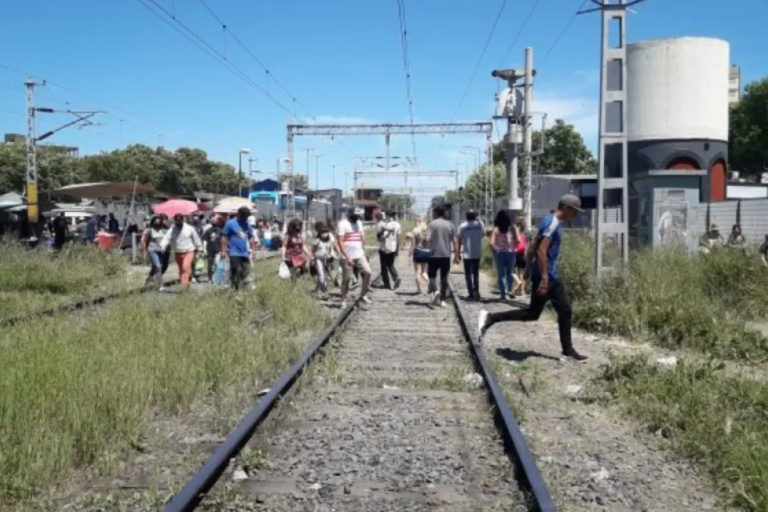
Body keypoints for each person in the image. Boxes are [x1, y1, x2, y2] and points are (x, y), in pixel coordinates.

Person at [478, 194, 589, 362]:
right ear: (566, 208)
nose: (576, 215)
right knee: (546, 312)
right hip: (548, 276)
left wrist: (528, 269)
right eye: (575, 211)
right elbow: (541, 251)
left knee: (549, 312)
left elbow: (532, 248)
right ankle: (491, 318)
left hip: (546, 274)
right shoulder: (552, 223)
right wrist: (544, 278)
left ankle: (568, 351)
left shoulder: (549, 221)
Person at [335, 212, 372, 309]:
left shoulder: (359, 223)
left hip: (359, 254)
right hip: (347, 256)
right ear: (350, 216)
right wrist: (347, 256)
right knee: (346, 279)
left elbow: (362, 238)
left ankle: (363, 294)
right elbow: (340, 241)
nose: (356, 219)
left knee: (367, 272)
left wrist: (364, 250)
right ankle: (343, 300)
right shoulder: (342, 224)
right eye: (355, 217)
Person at [160, 213, 202, 289]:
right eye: (177, 221)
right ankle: (186, 283)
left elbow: (196, 238)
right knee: (182, 269)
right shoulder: (172, 229)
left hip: (189, 251)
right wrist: (163, 245)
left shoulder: (189, 228)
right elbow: (166, 238)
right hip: (178, 252)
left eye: (180, 221)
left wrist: (200, 248)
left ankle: (184, 285)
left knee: (185, 267)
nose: (178, 222)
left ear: (183, 220)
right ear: (175, 221)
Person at [426, 206, 456, 308]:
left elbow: (427, 239)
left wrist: (426, 245)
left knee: (431, 274)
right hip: (446, 254)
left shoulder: (432, 224)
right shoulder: (450, 225)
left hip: (434, 254)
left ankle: (436, 291)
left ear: (436, 213)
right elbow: (454, 240)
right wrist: (456, 254)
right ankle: (442, 299)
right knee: (444, 277)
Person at [221, 207, 257, 291]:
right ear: (239, 214)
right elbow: (224, 237)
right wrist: (223, 250)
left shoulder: (247, 225)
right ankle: (235, 289)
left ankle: (241, 287)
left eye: (246, 217)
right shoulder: (230, 223)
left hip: (244, 253)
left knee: (246, 271)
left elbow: (251, 238)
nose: (245, 218)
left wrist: (254, 250)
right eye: (244, 216)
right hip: (234, 252)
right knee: (236, 270)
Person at [454, 209, 485, 300]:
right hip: (477, 253)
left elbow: (459, 240)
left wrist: (458, 253)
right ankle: (476, 291)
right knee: (476, 273)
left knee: (468, 274)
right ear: (475, 216)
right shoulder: (479, 224)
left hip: (467, 254)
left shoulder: (463, 226)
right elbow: (482, 235)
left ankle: (471, 293)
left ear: (466, 216)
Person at [490, 210, 518, 301]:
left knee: (501, 274)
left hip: (500, 253)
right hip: (511, 253)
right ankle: (510, 291)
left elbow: (491, 243)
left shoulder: (496, 229)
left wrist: (495, 251)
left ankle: (503, 294)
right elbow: (518, 240)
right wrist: (514, 247)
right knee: (510, 272)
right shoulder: (513, 228)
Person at [311, 221, 336, 299]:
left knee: (324, 276)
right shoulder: (317, 239)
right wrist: (311, 258)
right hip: (318, 259)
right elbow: (312, 249)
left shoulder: (330, 238)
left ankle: (317, 290)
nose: (325, 233)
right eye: (323, 232)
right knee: (321, 275)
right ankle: (324, 292)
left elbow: (333, 246)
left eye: (326, 231)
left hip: (327, 259)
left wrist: (335, 254)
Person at [376, 212, 402, 290]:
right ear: (395, 216)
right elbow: (398, 237)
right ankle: (396, 277)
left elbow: (381, 236)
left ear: (387, 216)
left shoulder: (385, 225)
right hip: (393, 247)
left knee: (384, 266)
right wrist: (397, 248)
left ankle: (386, 284)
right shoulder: (398, 225)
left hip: (384, 247)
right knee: (390, 264)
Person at [141, 216, 167, 287]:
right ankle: (160, 285)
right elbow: (144, 241)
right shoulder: (149, 230)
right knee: (158, 266)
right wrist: (144, 253)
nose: (157, 222)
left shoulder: (163, 230)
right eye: (156, 221)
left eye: (159, 221)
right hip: (152, 250)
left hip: (161, 251)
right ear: (153, 222)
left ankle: (149, 279)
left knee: (157, 267)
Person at [202, 215, 223, 282]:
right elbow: (205, 240)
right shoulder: (208, 231)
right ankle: (209, 278)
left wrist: (223, 249)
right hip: (209, 250)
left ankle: (216, 277)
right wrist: (204, 250)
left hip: (218, 250)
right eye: (213, 221)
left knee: (217, 263)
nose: (214, 222)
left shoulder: (220, 231)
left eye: (215, 221)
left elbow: (223, 240)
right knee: (210, 264)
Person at [513, 217, 528, 296]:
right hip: (522, 254)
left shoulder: (516, 233)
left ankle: (518, 287)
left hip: (516, 253)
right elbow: (526, 246)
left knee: (515, 272)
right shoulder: (524, 235)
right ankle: (522, 291)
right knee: (522, 272)